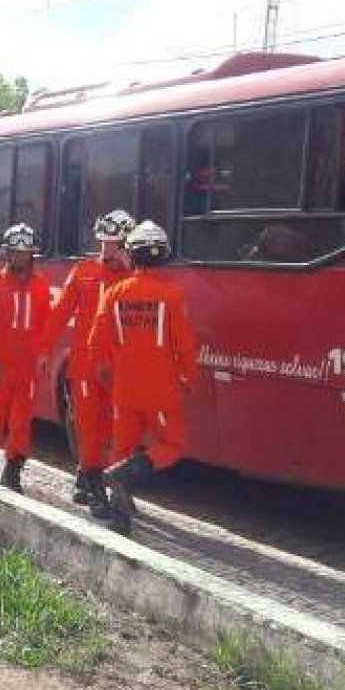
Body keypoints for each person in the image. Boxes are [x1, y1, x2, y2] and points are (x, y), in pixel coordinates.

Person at [88, 221, 199, 536]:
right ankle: (125, 475)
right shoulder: (172, 295)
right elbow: (185, 345)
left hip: (124, 387)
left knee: (121, 448)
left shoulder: (114, 293)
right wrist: (189, 378)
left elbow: (96, 342)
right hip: (161, 388)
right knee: (172, 444)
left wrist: (104, 371)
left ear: (131, 255)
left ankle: (119, 518)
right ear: (163, 256)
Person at [39, 209, 134, 509]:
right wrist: (44, 350)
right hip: (84, 366)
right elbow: (59, 314)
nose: (108, 249)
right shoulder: (83, 272)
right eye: (104, 243)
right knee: (89, 428)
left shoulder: (135, 278)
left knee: (115, 430)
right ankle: (95, 488)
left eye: (115, 244)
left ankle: (89, 479)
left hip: (119, 367)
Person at [0, 223, 51, 493]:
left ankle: (13, 471)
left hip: (28, 367)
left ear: (32, 255)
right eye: (15, 252)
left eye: (25, 253)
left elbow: (46, 325)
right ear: (7, 253)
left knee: (21, 422)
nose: (20, 257)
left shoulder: (41, 286)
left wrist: (43, 354)